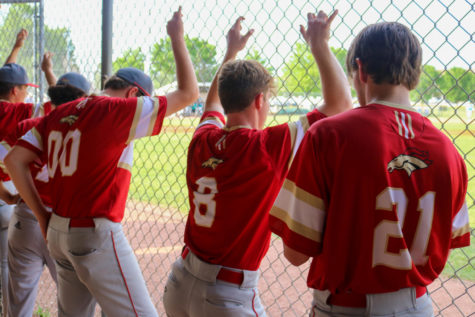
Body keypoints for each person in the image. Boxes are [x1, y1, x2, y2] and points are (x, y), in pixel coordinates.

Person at [5, 7, 198, 317]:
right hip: (95, 233)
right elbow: (189, 93)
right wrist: (177, 38)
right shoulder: (114, 111)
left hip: (58, 233)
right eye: (141, 99)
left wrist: (42, 217)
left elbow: (15, 161)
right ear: (133, 93)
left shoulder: (60, 112)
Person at [269, 21, 470, 317]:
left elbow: (296, 253)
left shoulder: (328, 135)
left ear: (360, 70)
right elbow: (448, 240)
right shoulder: (449, 152)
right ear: (414, 76)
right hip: (418, 306)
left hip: (345, 307)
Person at [163, 11, 352, 317]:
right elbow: (341, 104)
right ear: (260, 101)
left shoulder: (203, 138)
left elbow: (212, 104)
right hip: (227, 295)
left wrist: (230, 53)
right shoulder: (265, 147)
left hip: (180, 280)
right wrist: (320, 44)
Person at [1, 51, 91, 317]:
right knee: (74, 299)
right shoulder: (93, 129)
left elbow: (57, 102)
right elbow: (68, 103)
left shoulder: (30, 122)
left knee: (16, 300)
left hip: (25, 212)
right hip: (62, 221)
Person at [0, 28, 39, 317]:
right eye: (24, 88)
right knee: (6, 266)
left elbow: (4, 80)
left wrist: (15, 49)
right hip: (6, 199)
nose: (26, 93)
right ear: (15, 92)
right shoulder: (21, 113)